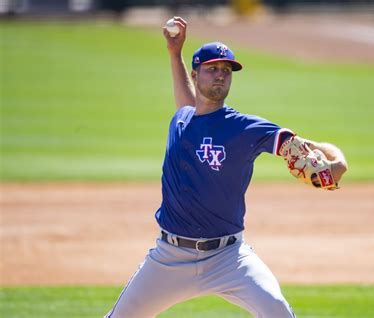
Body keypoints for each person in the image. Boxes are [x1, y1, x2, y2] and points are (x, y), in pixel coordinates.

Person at [105, 17, 348, 318]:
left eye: (226, 70)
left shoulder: (244, 128)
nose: (220, 76)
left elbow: (302, 150)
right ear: (196, 75)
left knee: (277, 311)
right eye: (212, 69)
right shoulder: (181, 120)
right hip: (169, 258)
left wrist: (336, 162)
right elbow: (185, 102)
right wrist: (174, 52)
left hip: (229, 258)